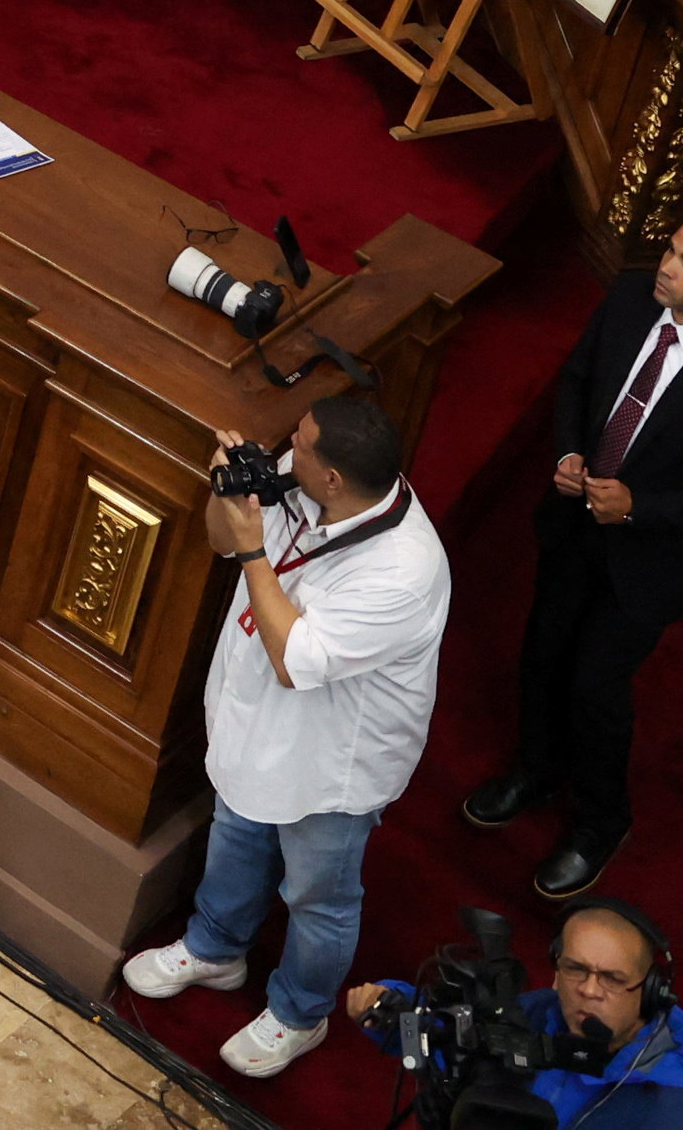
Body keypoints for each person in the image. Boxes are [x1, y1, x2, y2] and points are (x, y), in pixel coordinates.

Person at [123, 390, 452, 1080]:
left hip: (330, 766)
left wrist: (253, 550)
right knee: (235, 832)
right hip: (256, 722)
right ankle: (216, 947)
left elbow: (294, 661)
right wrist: (227, 490)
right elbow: (221, 537)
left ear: (332, 478)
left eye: (298, 444)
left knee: (318, 896)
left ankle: (300, 1013)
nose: (285, 447)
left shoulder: (403, 573)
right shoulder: (306, 477)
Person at [458, 218, 683, 895]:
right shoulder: (630, 300)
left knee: (595, 687)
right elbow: (577, 380)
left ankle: (601, 822)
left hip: (650, 562)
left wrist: (637, 506)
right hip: (575, 525)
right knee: (543, 650)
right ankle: (536, 768)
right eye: (670, 250)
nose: (666, 266)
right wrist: (569, 453)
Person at [341, 904, 683, 1130]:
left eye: (612, 978)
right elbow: (463, 1037)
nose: (589, 990)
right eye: (576, 969)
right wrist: (390, 1006)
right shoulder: (539, 1013)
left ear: (651, 990)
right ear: (557, 973)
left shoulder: (679, 1111)